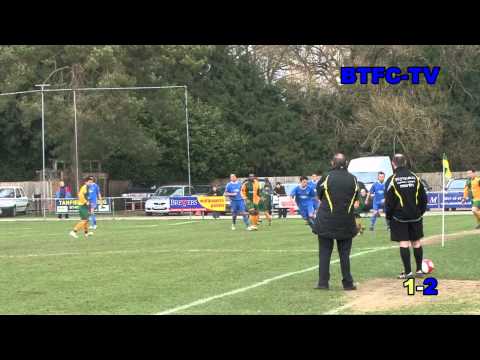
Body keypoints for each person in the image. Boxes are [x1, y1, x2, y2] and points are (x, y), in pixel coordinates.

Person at [315, 153, 359, 291]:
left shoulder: (326, 177)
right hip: (346, 220)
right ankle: (348, 283)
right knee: (344, 254)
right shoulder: (353, 179)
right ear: (346, 163)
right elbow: (356, 198)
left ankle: (323, 283)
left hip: (327, 220)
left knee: (324, 252)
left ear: (332, 163)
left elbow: (319, 195)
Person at [385, 154, 428, 280]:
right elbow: (423, 198)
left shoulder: (392, 180)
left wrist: (389, 217)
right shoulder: (415, 177)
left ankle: (408, 273)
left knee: (404, 243)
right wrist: (420, 212)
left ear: (393, 164)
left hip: (399, 217)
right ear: (405, 162)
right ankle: (419, 270)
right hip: (415, 216)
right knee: (416, 242)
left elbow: (389, 202)